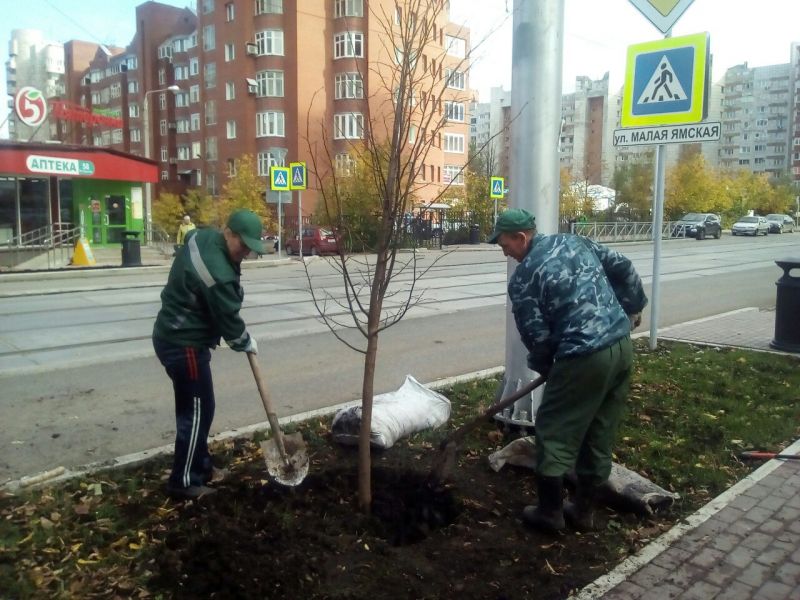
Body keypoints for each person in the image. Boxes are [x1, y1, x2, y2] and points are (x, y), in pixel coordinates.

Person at [489, 208, 648, 533]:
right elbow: (624, 267)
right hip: (620, 347)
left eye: (504, 244)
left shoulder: (523, 278)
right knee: (598, 429)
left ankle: (550, 512)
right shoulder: (578, 242)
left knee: (553, 430)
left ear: (521, 237)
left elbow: (536, 335)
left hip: (583, 356)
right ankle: (584, 511)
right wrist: (632, 308)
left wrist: (549, 366)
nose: (503, 251)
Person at [153, 209, 264, 499]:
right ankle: (184, 481)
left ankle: (201, 468)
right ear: (229, 233)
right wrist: (245, 340)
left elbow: (189, 238)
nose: (246, 253)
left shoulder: (202, 236)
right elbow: (228, 318)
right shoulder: (218, 270)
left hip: (175, 334)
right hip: (183, 343)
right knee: (196, 412)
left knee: (202, 407)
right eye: (244, 246)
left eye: (251, 249)